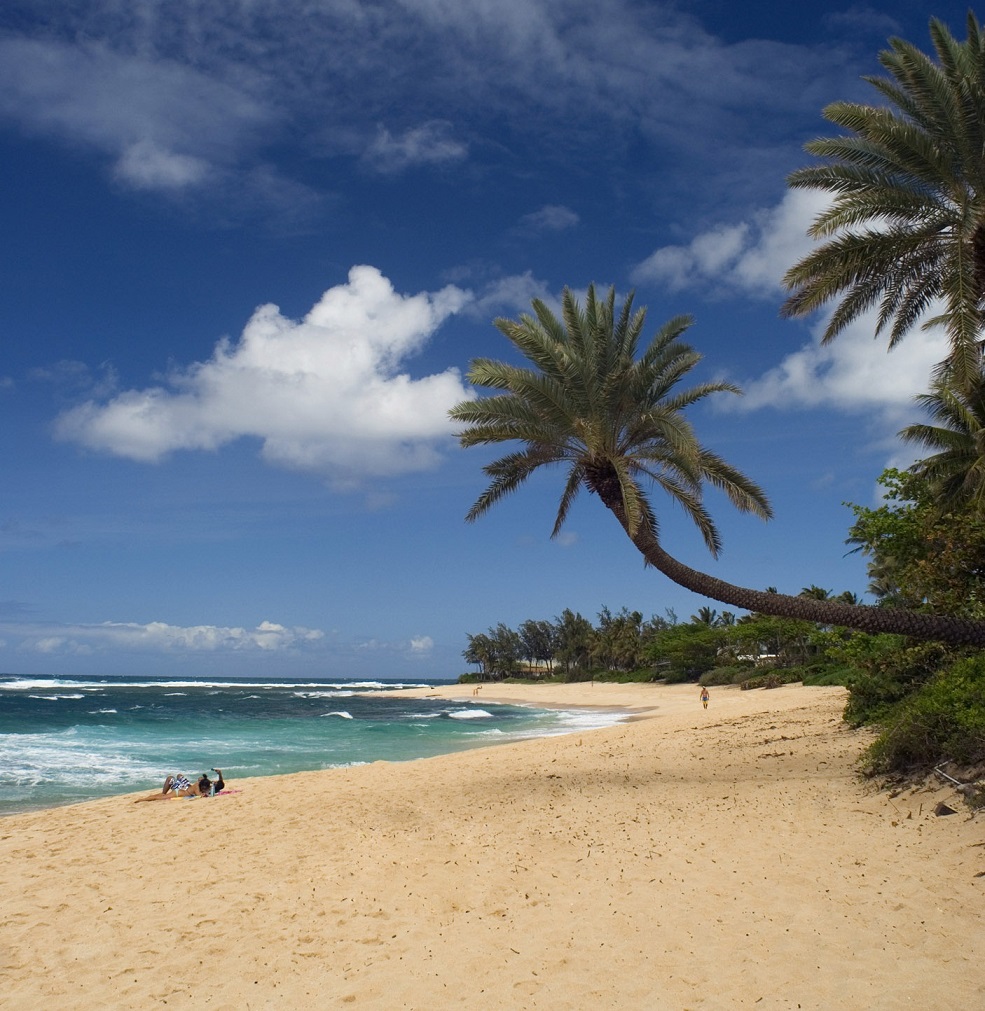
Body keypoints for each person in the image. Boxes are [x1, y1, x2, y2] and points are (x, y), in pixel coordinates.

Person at [134, 768, 225, 802]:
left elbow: (220, 784)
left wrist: (219, 775)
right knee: (159, 797)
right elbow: (199, 795)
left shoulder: (203, 784)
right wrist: (205, 794)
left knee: (161, 796)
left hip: (181, 790)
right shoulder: (199, 786)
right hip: (179, 793)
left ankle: (145, 798)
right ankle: (142, 799)